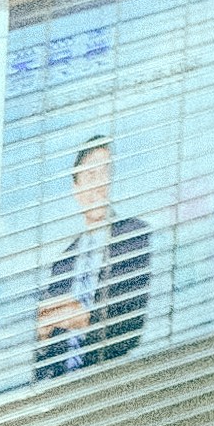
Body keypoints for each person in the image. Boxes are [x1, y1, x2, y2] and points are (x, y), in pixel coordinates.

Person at [31, 138, 155, 380]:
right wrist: (42, 338)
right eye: (90, 175)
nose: (99, 184)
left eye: (105, 173)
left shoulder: (134, 237)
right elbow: (45, 353)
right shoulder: (63, 262)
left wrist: (84, 319)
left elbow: (131, 326)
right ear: (75, 188)